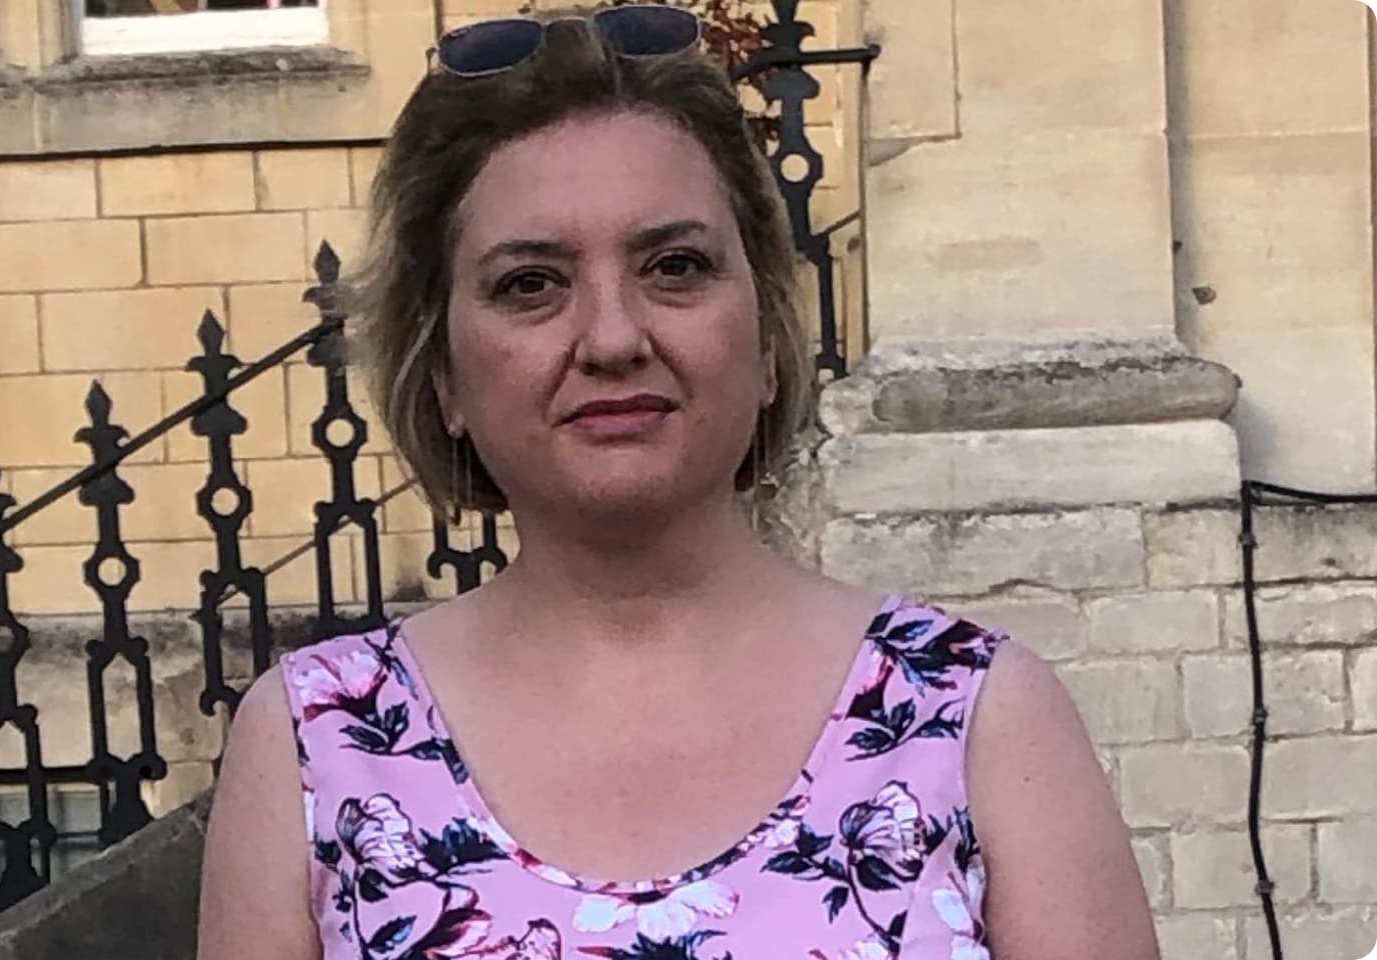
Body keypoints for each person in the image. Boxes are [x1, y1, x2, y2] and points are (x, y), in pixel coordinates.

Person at [197, 6, 1159, 959]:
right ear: (444, 372)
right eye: (531, 283)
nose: (613, 338)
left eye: (675, 267)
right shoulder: (318, 744)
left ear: (769, 338)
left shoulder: (972, 717)